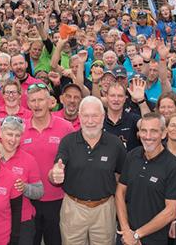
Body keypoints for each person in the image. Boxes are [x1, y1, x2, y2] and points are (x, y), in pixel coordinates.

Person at [49, 96, 127, 245]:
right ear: (79, 116)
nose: (90, 121)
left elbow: (121, 176)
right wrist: (55, 174)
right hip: (73, 208)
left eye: (95, 116)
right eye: (85, 116)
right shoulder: (68, 142)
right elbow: (56, 171)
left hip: (104, 209)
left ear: (103, 117)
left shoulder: (115, 144)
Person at [116, 112, 176, 245]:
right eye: (144, 131)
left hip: (153, 239)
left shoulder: (174, 166)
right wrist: (125, 229)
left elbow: (171, 212)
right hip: (125, 236)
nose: (148, 136)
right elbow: (120, 192)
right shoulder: (132, 156)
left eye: (153, 131)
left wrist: (137, 235)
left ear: (163, 133)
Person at [20, 83, 74, 245]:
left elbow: (74, 160)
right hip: (29, 200)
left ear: (50, 101)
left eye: (41, 100)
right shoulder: (21, 128)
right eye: (33, 101)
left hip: (58, 200)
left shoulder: (65, 127)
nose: (37, 105)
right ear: (28, 104)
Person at [0, 115, 44, 245]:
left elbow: (39, 192)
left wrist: (25, 188)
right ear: (0, 133)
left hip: (23, 221)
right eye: (9, 134)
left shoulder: (28, 160)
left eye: (17, 135)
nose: (13, 139)